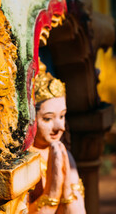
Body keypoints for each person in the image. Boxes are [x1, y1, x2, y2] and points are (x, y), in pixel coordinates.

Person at [28, 61, 86, 214]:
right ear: (30, 118)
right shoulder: (23, 161)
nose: (60, 127)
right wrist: (52, 193)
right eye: (47, 119)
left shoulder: (64, 155)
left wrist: (67, 188)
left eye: (62, 116)